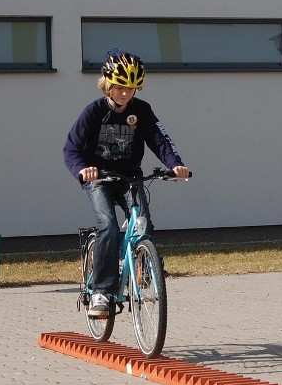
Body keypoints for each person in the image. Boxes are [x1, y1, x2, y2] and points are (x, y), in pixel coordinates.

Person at [63, 49, 189, 316]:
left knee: (143, 221)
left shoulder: (141, 111)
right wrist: (83, 169)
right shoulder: (94, 112)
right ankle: (101, 292)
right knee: (108, 224)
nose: (124, 93)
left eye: (130, 88)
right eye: (119, 87)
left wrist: (175, 164)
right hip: (100, 179)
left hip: (130, 177)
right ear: (108, 85)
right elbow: (71, 149)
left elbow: (160, 140)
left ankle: (144, 265)